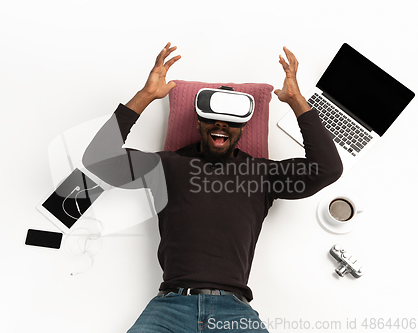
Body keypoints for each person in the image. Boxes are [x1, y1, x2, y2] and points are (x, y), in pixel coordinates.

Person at [82, 42, 343, 332]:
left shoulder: (262, 173)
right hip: (170, 307)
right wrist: (145, 96)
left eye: (231, 120)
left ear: (242, 127)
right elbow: (98, 160)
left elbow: (327, 169)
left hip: (234, 311)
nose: (221, 125)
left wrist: (296, 101)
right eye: (212, 117)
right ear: (198, 123)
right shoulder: (167, 166)